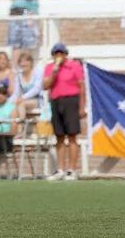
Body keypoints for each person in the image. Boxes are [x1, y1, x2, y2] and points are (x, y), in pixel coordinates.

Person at [43, 43, 84, 181]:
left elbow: (81, 86)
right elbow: (46, 85)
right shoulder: (49, 68)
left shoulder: (74, 66)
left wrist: (82, 107)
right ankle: (60, 169)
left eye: (61, 53)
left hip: (71, 100)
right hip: (56, 101)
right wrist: (55, 70)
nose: (59, 56)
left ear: (66, 54)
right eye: (56, 53)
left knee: (72, 136)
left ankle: (72, 169)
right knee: (59, 137)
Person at [10, 52, 43, 121]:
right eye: (21, 61)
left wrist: (22, 97)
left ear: (31, 62)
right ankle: (16, 129)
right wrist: (10, 101)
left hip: (37, 100)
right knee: (13, 108)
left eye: (26, 61)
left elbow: (36, 89)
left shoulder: (37, 72)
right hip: (23, 101)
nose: (23, 63)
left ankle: (22, 125)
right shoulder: (18, 76)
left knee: (21, 104)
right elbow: (16, 93)